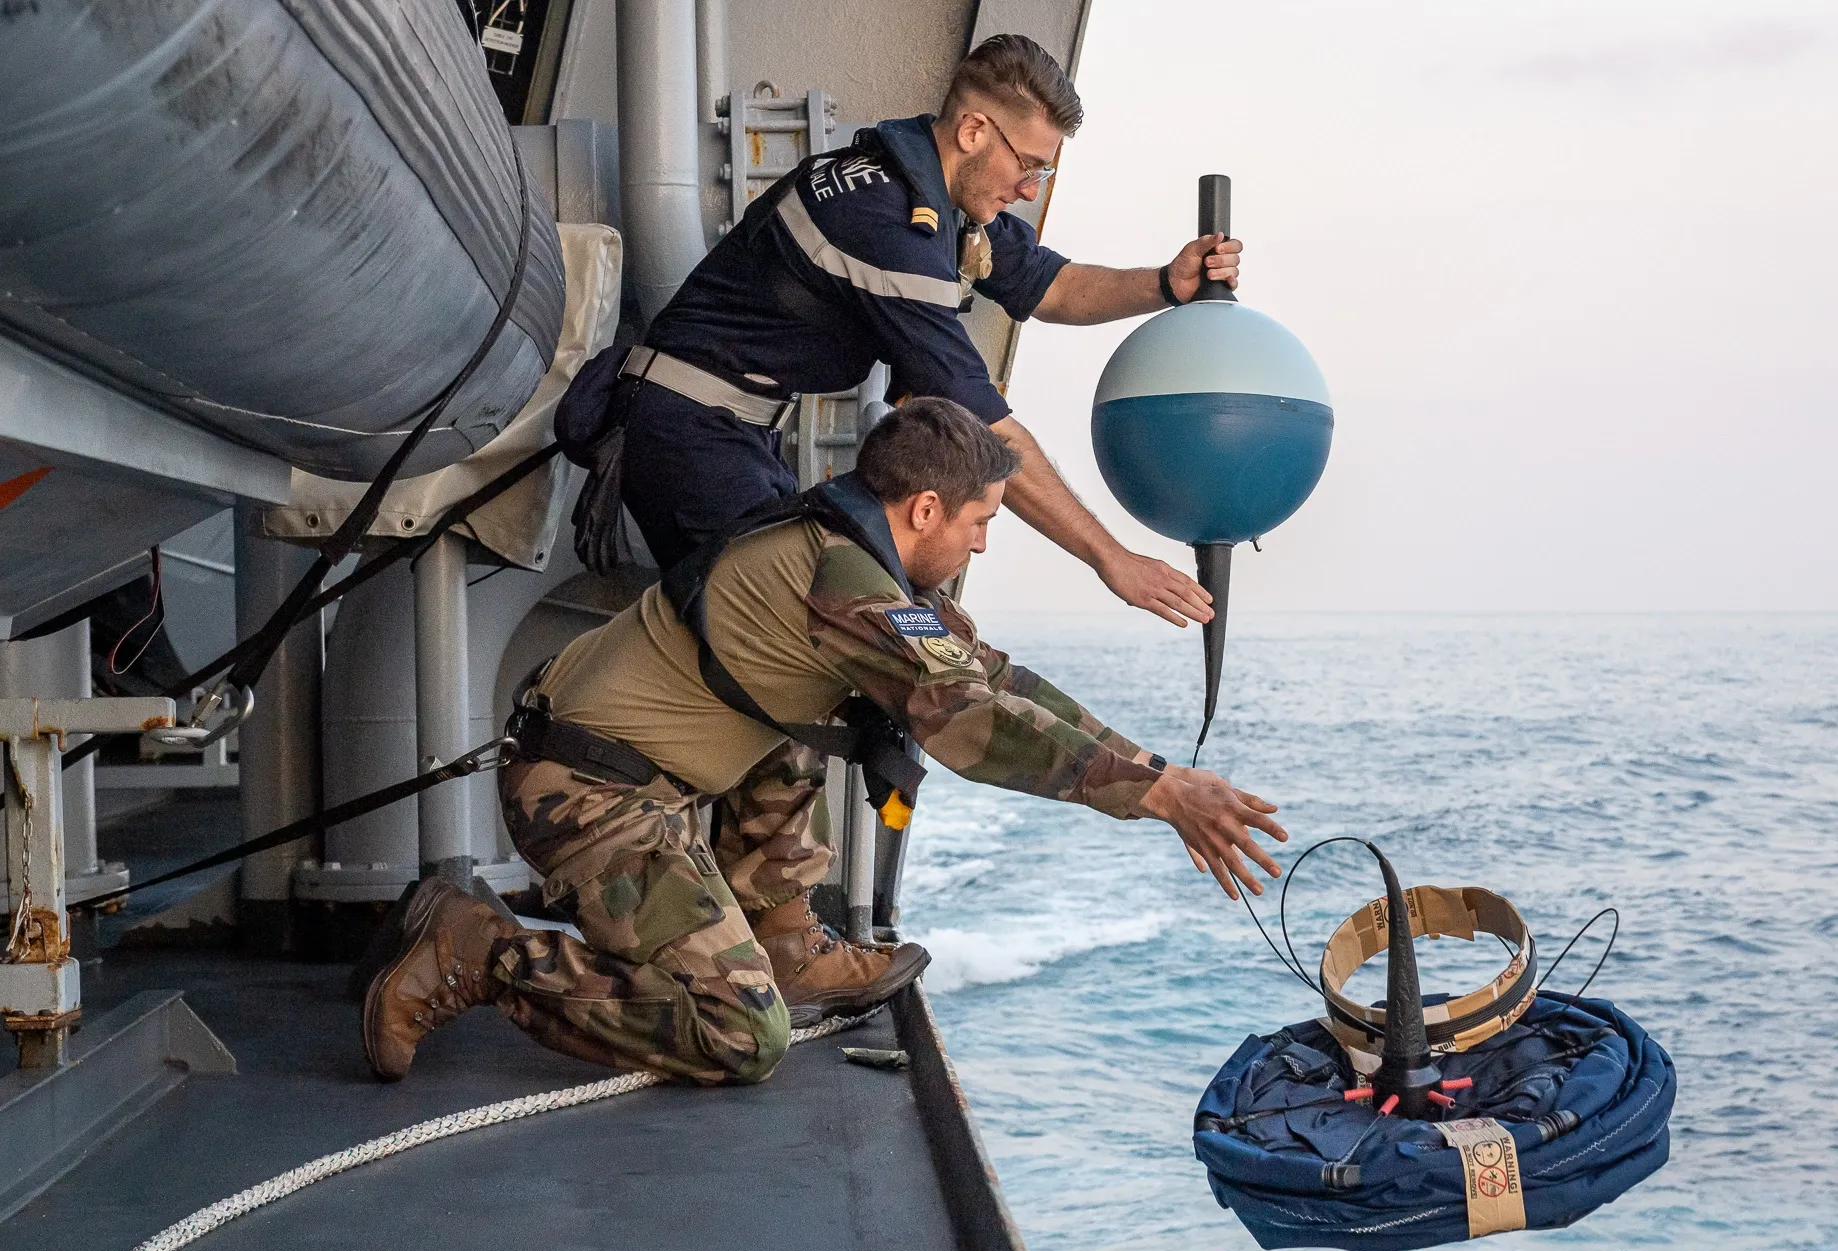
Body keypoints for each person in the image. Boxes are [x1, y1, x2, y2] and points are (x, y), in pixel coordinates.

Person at [364, 399, 1286, 1085]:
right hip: (590, 792)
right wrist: (1160, 796)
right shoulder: (849, 593)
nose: (983, 546)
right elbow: (972, 726)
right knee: (739, 1034)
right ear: (925, 511)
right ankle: (481, 950)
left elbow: (998, 682)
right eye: (981, 524)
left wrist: (1163, 773)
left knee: (811, 725)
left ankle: (784, 937)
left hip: (646, 772)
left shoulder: (862, 559)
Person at [614, 32, 1241, 627]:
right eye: (1028, 165)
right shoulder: (889, 227)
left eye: (1042, 175)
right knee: (784, 633)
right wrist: (1114, 559)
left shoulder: (930, 192)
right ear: (973, 130)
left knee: (831, 619)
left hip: (730, 428)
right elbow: (986, 429)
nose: (1028, 190)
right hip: (687, 430)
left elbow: (1051, 285)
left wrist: (1164, 284)